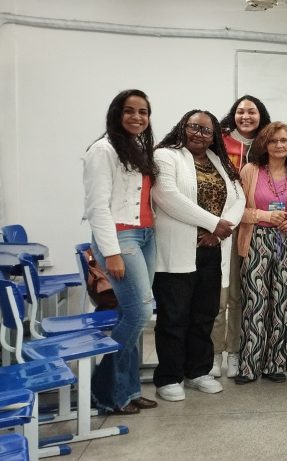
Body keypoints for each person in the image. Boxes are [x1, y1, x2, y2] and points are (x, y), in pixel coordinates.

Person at [151, 110, 244, 402]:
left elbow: (239, 198)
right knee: (174, 317)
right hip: (176, 251)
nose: (199, 134)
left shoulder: (218, 161)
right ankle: (169, 377)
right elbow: (167, 196)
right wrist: (213, 223)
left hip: (210, 250)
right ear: (183, 127)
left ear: (214, 136)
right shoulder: (165, 156)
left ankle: (198, 371)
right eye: (194, 127)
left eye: (206, 130)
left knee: (204, 314)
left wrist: (220, 231)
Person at [83, 89, 160, 415]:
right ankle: (104, 389)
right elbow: (97, 208)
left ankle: (127, 391)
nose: (137, 117)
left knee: (133, 314)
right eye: (130, 111)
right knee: (140, 313)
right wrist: (111, 253)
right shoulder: (102, 150)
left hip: (146, 235)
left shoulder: (138, 147)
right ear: (117, 113)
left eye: (143, 112)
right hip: (120, 237)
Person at [234, 122, 287, 385]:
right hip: (256, 240)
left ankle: (275, 364)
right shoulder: (250, 171)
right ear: (264, 144)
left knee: (282, 303)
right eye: (273, 141)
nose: (279, 145)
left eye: (284, 140)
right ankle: (249, 366)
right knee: (255, 303)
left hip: (286, 241)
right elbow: (236, 210)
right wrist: (264, 215)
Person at [212, 95, 271, 379]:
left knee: (239, 295)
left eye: (252, 111)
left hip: (253, 228)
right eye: (241, 111)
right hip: (220, 225)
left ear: (261, 115)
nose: (246, 116)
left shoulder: (268, 142)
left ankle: (235, 351)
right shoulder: (218, 141)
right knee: (218, 294)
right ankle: (214, 353)